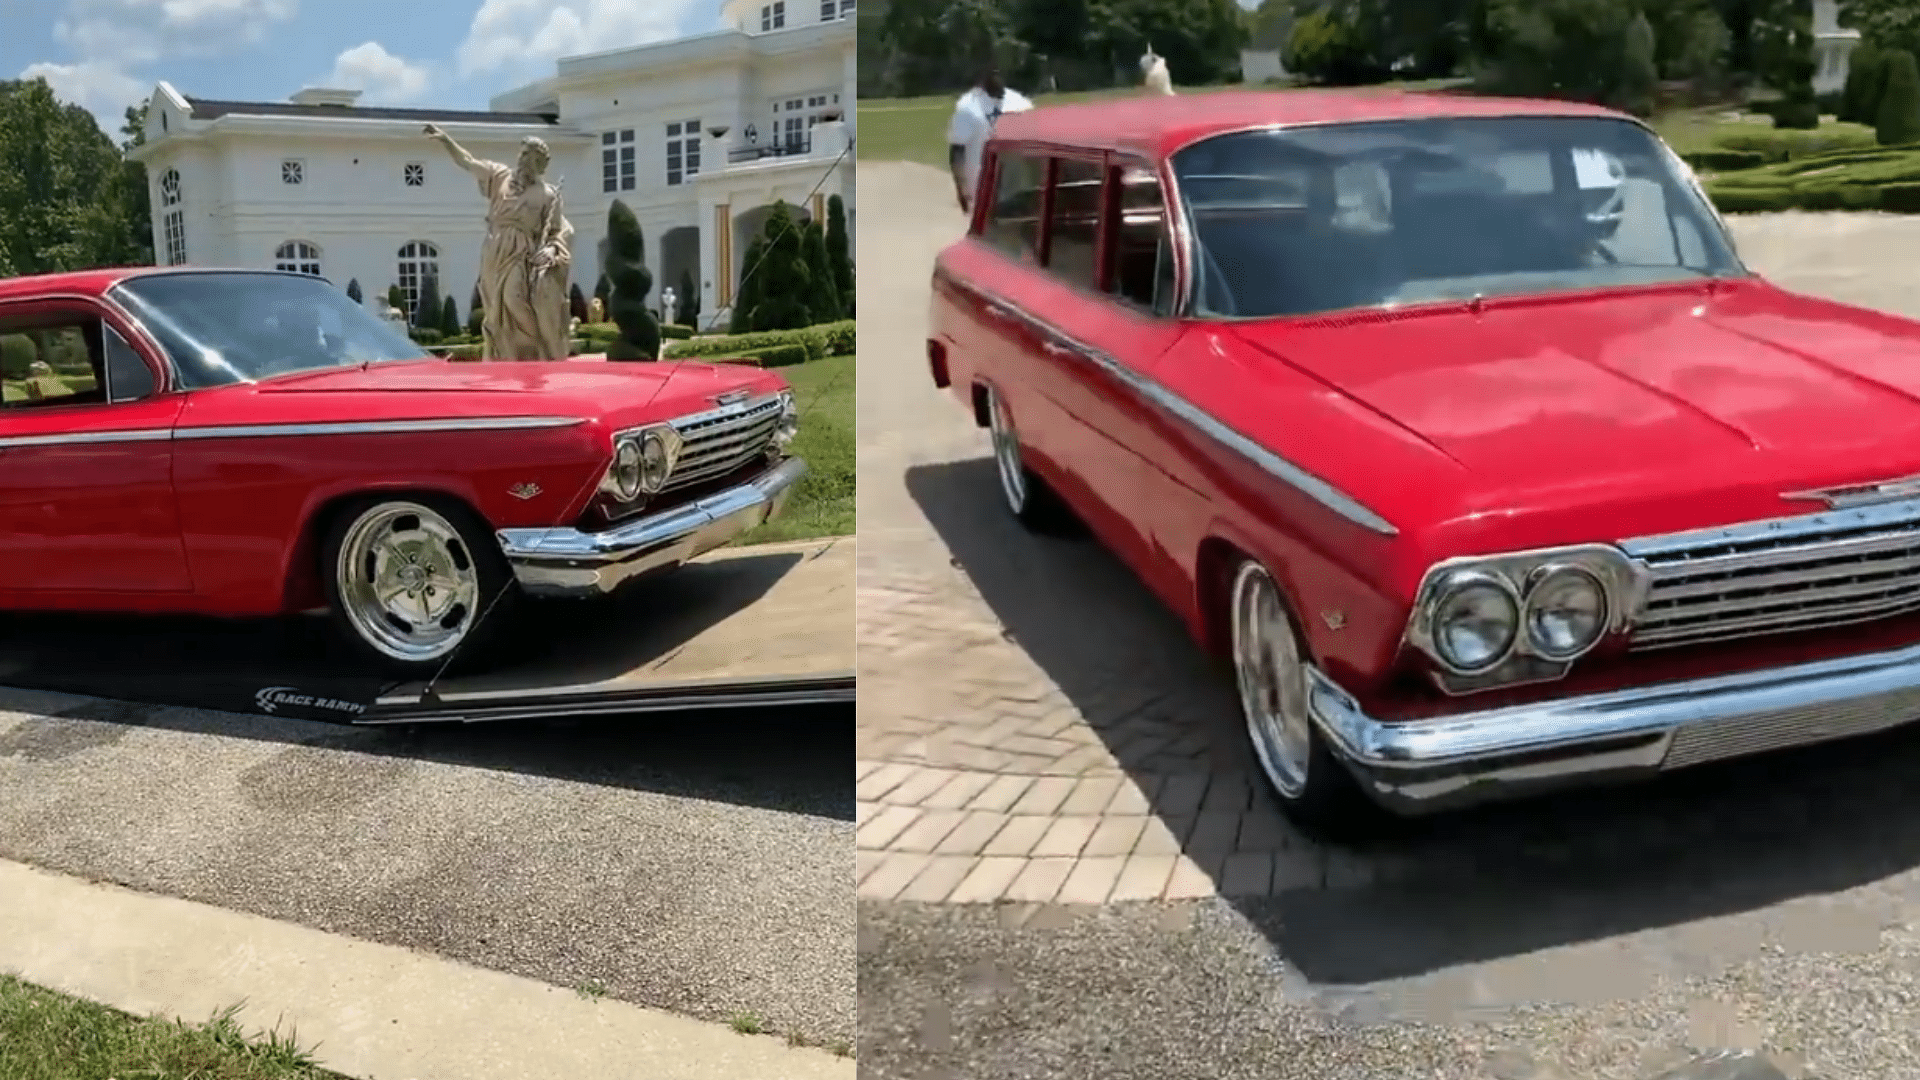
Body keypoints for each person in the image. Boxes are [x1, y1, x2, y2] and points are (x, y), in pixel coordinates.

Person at [423, 124, 575, 360]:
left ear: (539, 165)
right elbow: (468, 161)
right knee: (494, 309)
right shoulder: (499, 175)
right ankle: (504, 355)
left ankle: (533, 351)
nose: (524, 160)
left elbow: (558, 232)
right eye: (523, 153)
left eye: (531, 157)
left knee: (514, 298)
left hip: (521, 253)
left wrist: (551, 250)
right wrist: (446, 141)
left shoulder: (548, 195)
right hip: (494, 249)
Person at [948, 68, 1032, 214]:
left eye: (997, 72)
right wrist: (961, 188)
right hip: (982, 188)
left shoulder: (1020, 103)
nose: (995, 76)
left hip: (1016, 187)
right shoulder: (967, 106)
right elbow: (957, 149)